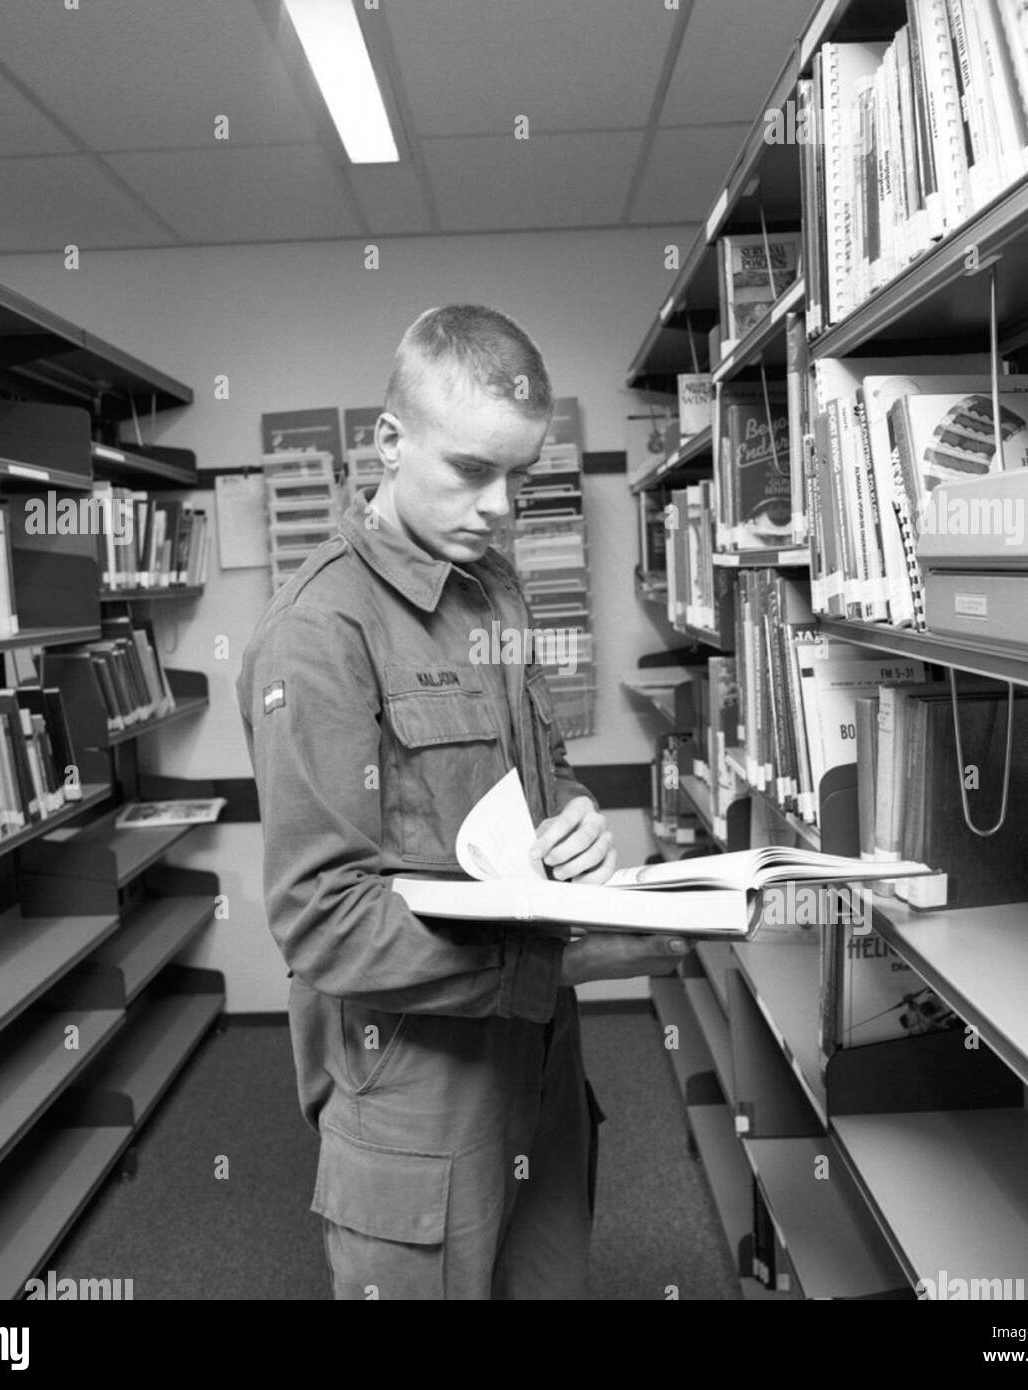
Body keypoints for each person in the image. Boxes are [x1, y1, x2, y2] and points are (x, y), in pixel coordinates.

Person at [236, 304, 689, 1300]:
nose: (502, 507)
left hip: (538, 1053)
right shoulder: (318, 634)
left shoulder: (493, 589)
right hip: (415, 1080)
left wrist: (570, 821)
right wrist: (555, 952)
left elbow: (543, 766)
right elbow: (320, 916)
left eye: (519, 476)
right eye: (474, 471)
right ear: (389, 444)